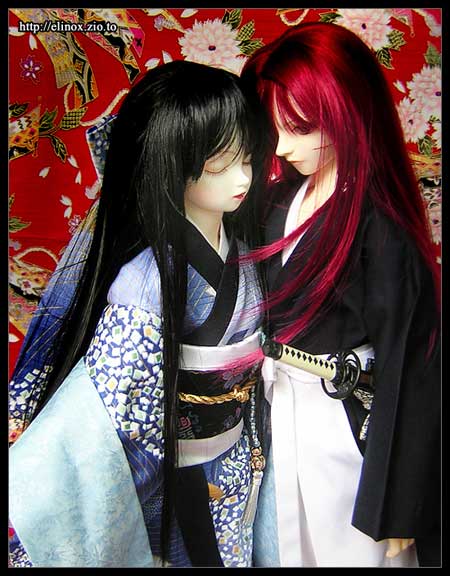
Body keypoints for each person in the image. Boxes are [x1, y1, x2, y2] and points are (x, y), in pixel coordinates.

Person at [8, 60, 268, 568]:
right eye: (221, 162)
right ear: (174, 160)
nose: (243, 177)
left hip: (238, 463)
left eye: (247, 158)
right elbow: (126, 420)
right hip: (169, 481)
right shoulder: (147, 282)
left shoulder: (244, 252)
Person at [239, 22, 441, 568]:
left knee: (348, 550)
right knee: (286, 545)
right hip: (281, 413)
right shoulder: (278, 200)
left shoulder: (380, 227)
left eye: (301, 127)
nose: (284, 146)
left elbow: (411, 365)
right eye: (277, 128)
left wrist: (397, 501)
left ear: (348, 110)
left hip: (346, 425)